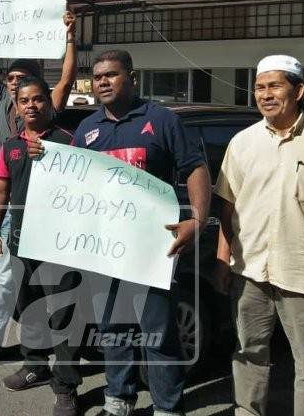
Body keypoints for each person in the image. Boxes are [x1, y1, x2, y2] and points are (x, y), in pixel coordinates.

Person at [70, 50, 210, 416]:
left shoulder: (161, 120)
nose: (103, 81)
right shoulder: (87, 129)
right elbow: (68, 180)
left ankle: (167, 406)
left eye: (111, 75)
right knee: (114, 330)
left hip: (153, 249)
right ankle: (119, 400)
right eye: (98, 76)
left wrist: (197, 219)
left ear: (132, 77)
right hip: (104, 249)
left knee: (159, 333)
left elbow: (195, 168)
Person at [212, 55, 304, 416]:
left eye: (275, 85)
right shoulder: (241, 144)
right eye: (260, 87)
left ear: (299, 90)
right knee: (249, 354)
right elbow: (227, 209)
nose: (266, 94)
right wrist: (223, 259)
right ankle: (248, 411)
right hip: (250, 272)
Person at [0, 4, 78, 373]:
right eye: (11, 77)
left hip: (22, 205)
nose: (14, 82)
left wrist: (70, 37)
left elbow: (68, 80)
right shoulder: (4, 100)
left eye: (23, 78)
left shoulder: (44, 111)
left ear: (37, 87)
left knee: (6, 279)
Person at [0, 76, 84, 416]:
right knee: (29, 310)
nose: (31, 105)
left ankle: (67, 386)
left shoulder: (69, 142)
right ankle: (35, 365)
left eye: (38, 99)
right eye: (24, 100)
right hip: (22, 242)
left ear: (49, 103)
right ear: (17, 106)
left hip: (60, 246)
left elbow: (86, 187)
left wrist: (54, 158)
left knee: (63, 315)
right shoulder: (11, 146)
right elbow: (1, 190)